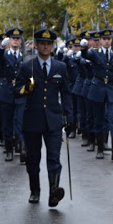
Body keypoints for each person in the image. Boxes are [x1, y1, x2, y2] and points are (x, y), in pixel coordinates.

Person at [15, 29, 73, 206]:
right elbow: (16, 91)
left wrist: (70, 117)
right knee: (33, 158)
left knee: (54, 156)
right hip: (32, 119)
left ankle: (53, 192)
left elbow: (67, 93)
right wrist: (27, 88)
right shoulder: (27, 67)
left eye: (48, 44)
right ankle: (35, 190)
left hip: (53, 120)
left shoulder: (60, 67)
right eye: (42, 43)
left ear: (52, 46)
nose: (45, 46)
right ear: (37, 45)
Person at [80, 29, 113, 160]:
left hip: (112, 89)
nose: (106, 41)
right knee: (98, 120)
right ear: (100, 41)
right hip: (97, 89)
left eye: (109, 39)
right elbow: (86, 55)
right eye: (104, 39)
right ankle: (100, 148)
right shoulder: (95, 53)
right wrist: (83, 48)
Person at [0, 27, 26, 162]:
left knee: (20, 121)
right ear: (10, 40)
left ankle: (22, 147)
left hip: (20, 92)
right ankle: (9, 149)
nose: (16, 41)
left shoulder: (25, 56)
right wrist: (1, 46)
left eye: (18, 39)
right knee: (7, 122)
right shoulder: (4, 54)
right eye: (13, 38)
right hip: (6, 91)